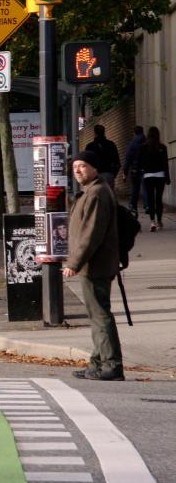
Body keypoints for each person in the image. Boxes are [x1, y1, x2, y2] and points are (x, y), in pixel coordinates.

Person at [62, 150, 124, 381]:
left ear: (95, 168)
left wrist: (75, 262)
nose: (78, 170)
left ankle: (111, 365)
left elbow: (91, 233)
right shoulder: (90, 192)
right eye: (75, 166)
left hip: (95, 265)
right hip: (94, 264)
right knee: (97, 314)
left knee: (100, 315)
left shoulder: (96, 193)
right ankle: (97, 363)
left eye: (83, 166)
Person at [138, 125, 171, 232]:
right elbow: (165, 164)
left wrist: (142, 171)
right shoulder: (162, 147)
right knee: (158, 200)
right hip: (160, 176)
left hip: (148, 176)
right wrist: (167, 177)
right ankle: (160, 221)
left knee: (150, 200)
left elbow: (140, 162)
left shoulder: (143, 147)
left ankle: (152, 222)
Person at [121, 125, 147, 217]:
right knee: (145, 188)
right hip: (146, 169)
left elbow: (128, 158)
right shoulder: (147, 142)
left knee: (135, 189)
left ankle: (133, 206)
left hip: (135, 170)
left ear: (134, 133)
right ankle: (146, 205)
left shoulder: (132, 144)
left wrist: (125, 172)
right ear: (143, 131)